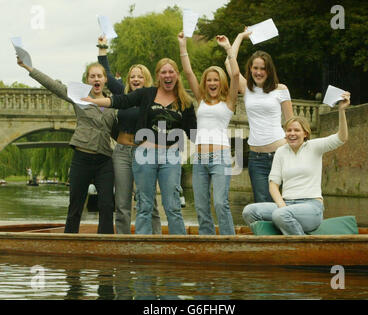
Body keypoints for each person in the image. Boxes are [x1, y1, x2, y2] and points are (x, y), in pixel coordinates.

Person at [82, 58, 197, 235]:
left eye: (171, 72)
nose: (167, 75)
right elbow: (120, 101)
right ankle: (139, 244)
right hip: (144, 154)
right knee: (143, 205)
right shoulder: (147, 95)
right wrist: (95, 101)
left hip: (170, 156)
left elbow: (193, 132)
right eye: (163, 72)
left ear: (177, 75)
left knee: (172, 206)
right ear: (158, 76)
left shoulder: (185, 102)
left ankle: (177, 244)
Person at [16, 57, 116, 234]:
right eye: (92, 76)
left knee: (107, 205)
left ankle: (106, 243)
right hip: (82, 158)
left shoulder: (113, 102)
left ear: (105, 79)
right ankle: (70, 240)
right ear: (88, 80)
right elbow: (54, 86)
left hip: (105, 160)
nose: (96, 79)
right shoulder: (80, 98)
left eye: (99, 76)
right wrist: (28, 67)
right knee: (75, 205)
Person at [242, 92, 350, 235]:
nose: (292, 133)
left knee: (280, 215)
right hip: (286, 205)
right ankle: (280, 239)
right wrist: (281, 205)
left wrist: (341, 111)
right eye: (289, 130)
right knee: (249, 211)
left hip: (311, 206)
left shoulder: (314, 147)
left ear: (305, 133)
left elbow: (341, 138)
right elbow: (273, 184)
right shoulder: (281, 151)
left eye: (296, 130)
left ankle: (303, 246)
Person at [97, 36, 162, 234]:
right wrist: (102, 48)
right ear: (128, 80)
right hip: (122, 153)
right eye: (133, 76)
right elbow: (106, 74)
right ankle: (123, 242)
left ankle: (156, 240)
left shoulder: (153, 96)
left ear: (146, 80)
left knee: (147, 200)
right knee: (122, 203)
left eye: (140, 76)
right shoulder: (123, 93)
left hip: (144, 153)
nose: (136, 79)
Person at [178, 32, 239, 235]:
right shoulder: (201, 100)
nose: (212, 83)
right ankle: (207, 241)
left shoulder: (229, 102)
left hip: (220, 157)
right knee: (202, 207)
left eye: (216, 80)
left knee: (221, 203)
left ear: (221, 82)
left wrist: (228, 48)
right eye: (209, 80)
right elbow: (188, 74)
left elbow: (236, 75)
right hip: (199, 159)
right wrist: (183, 46)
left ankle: (230, 243)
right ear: (205, 83)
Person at [225, 29, 293, 203]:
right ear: (250, 69)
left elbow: (291, 124)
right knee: (262, 203)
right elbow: (228, 62)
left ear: (269, 71)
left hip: (280, 154)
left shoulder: (281, 90)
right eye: (255, 68)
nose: (259, 72)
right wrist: (240, 36)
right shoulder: (246, 88)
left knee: (282, 202)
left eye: (263, 68)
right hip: (256, 159)